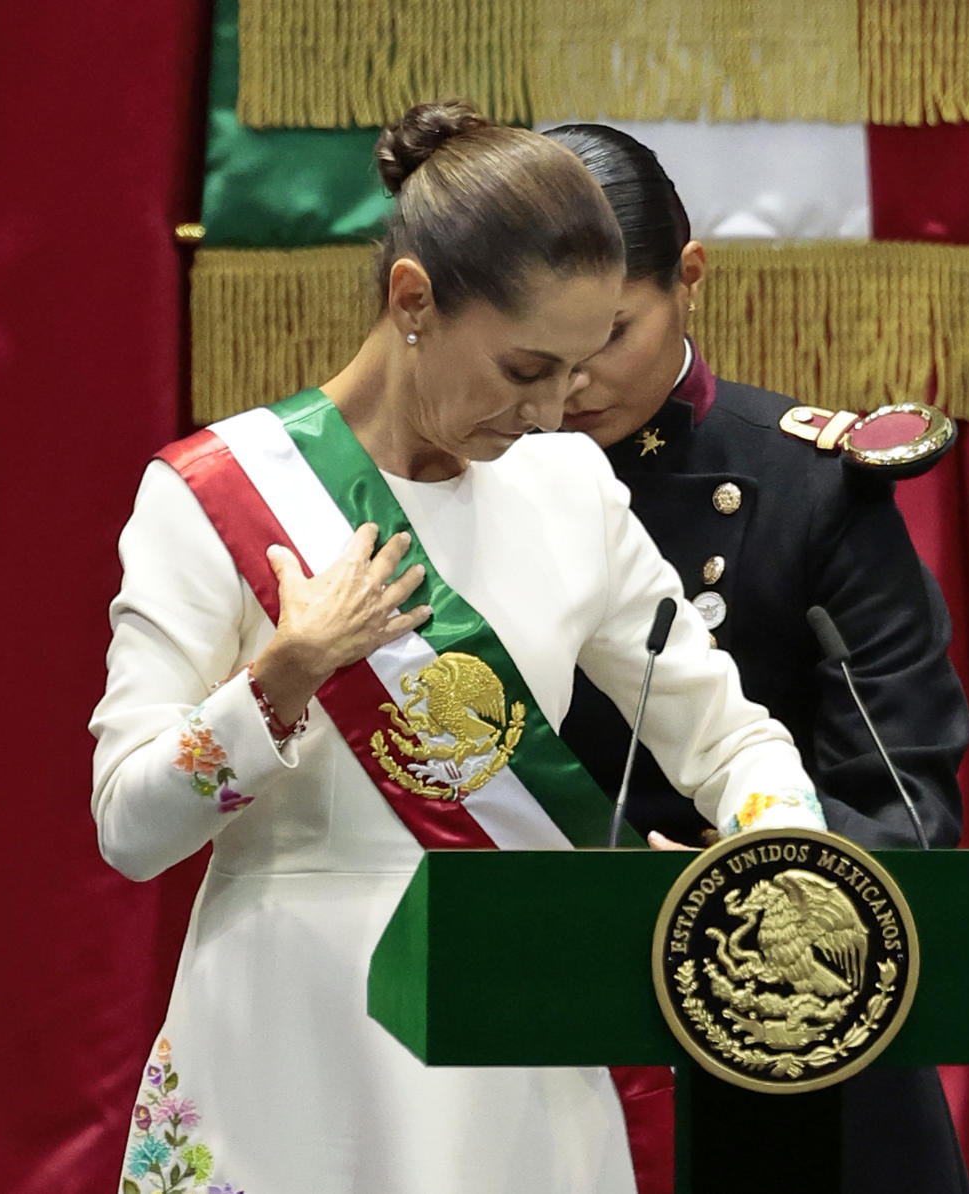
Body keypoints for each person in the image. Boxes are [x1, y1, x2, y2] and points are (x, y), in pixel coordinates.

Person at [92, 100, 828, 1194]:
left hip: (513, 1051)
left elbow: (728, 742)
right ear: (413, 301)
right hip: (290, 1042)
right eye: (525, 368)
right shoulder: (213, 497)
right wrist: (283, 677)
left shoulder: (570, 488)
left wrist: (775, 862)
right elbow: (129, 828)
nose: (551, 411)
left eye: (575, 373)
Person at [547, 123, 969, 1194]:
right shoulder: (468, 489)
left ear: (688, 279)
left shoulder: (810, 484)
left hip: (786, 1021)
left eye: (609, 334)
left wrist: (742, 892)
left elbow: (900, 794)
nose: (573, 379)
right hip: (539, 1008)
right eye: (540, 341)